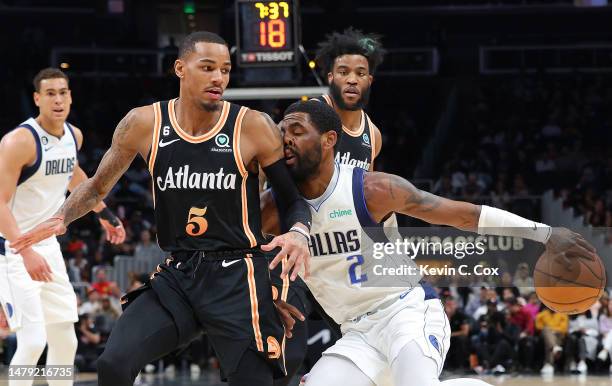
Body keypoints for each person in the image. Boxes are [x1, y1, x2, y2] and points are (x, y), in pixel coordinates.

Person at [11, 31, 310, 386]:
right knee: (113, 364)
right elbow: (95, 187)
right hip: (179, 274)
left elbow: (291, 198)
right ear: (180, 68)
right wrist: (61, 218)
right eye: (208, 67)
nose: (219, 77)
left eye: (226, 70)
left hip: (236, 275)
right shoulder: (144, 123)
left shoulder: (253, 126)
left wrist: (299, 232)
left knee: (256, 381)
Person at [261, 100, 597, 385]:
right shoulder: (272, 209)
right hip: (355, 333)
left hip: (406, 311)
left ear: (328, 140)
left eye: (297, 131)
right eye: (281, 132)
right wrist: (268, 298)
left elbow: (462, 215)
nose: (285, 140)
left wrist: (545, 233)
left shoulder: (371, 189)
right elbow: (235, 252)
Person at [0, 67, 125, 386]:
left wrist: (104, 213)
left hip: (47, 246)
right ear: (37, 99)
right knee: (32, 341)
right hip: (12, 248)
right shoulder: (18, 142)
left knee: (65, 341)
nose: (58, 99)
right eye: (51, 93)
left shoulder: (74, 135)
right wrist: (25, 250)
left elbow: (74, 177)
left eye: (63, 92)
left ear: (71, 97)